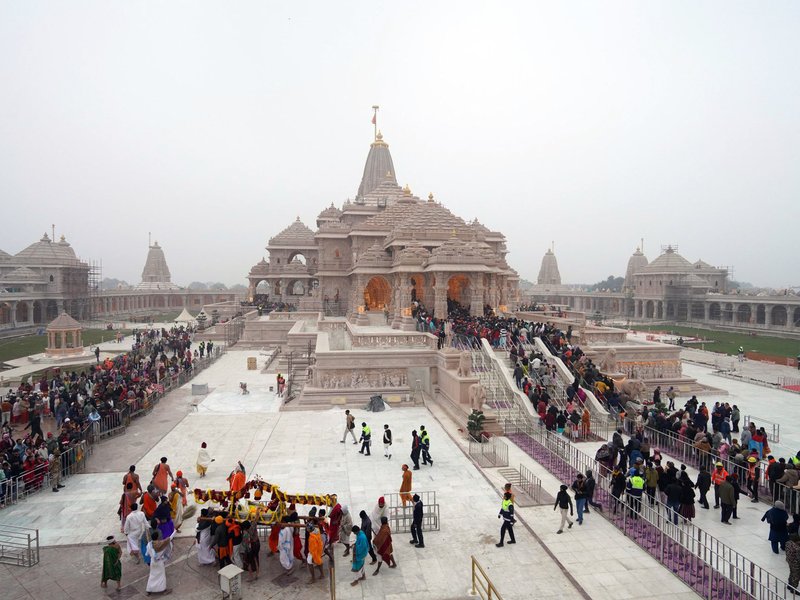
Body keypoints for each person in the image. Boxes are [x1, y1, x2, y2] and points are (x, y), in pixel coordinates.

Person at [145, 528, 173, 595]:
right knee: (161, 576)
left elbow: (147, 553)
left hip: (152, 562)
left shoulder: (149, 545)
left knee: (152, 576)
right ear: (157, 537)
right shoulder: (161, 544)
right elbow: (168, 540)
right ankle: (163, 590)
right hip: (159, 562)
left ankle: (149, 590)